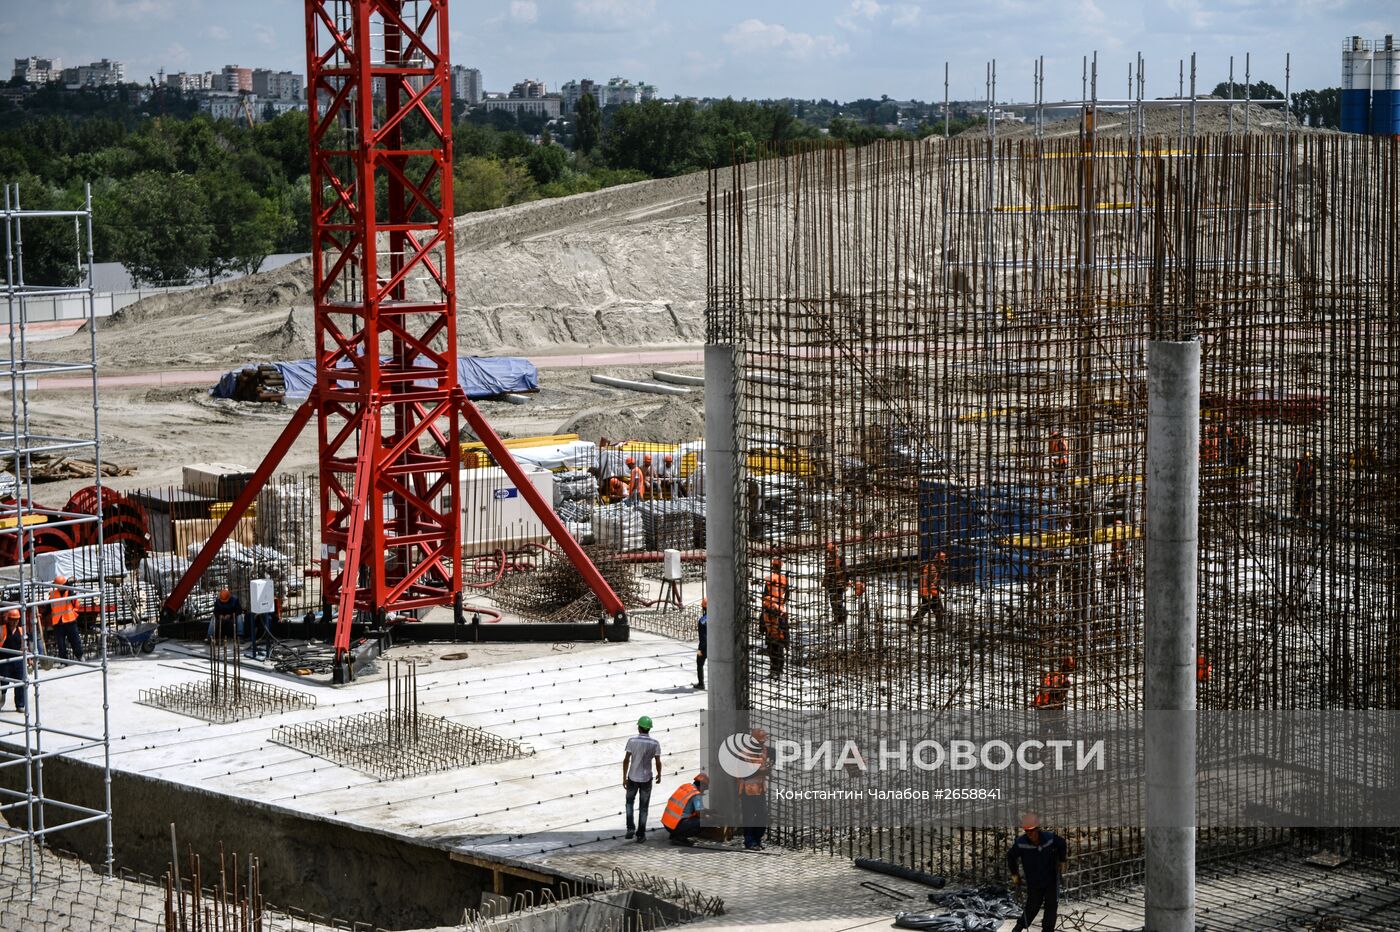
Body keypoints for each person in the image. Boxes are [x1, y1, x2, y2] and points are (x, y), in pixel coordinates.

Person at [1006, 812, 1068, 932]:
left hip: (1050, 878)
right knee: (1033, 906)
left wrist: (1062, 860)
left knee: (1051, 906)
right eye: (1027, 831)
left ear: (1037, 828)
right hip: (1034, 881)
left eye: (1032, 831)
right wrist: (1015, 875)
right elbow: (1010, 857)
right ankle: (1019, 927)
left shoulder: (1049, 838)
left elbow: (1061, 843)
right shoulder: (1021, 843)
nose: (1030, 834)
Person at [622, 715, 662, 843]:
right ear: (649, 729)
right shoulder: (655, 743)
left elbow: (626, 759)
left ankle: (630, 828)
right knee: (644, 808)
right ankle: (641, 835)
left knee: (629, 802)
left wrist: (624, 777)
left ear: (639, 727)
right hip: (646, 778)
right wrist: (659, 774)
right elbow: (657, 761)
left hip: (632, 777)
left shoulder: (632, 741)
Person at [737, 728, 772, 850]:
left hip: (760, 788)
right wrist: (763, 771)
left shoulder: (764, 750)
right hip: (748, 789)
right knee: (749, 817)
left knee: (762, 815)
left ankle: (757, 840)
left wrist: (769, 767)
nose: (763, 743)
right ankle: (749, 842)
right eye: (761, 741)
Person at [660, 772, 711, 846]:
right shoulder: (696, 794)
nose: (704, 791)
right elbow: (699, 812)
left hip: (667, 824)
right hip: (676, 825)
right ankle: (680, 837)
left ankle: (674, 834)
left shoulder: (685, 787)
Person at [761, 558, 788, 679]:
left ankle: (777, 671)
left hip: (774, 632)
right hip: (777, 607)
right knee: (775, 652)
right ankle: (776, 671)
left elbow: (765, 594)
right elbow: (787, 593)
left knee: (775, 652)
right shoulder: (783, 579)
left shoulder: (769, 580)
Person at [45, 576, 82, 662]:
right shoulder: (53, 594)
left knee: (75, 640)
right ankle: (64, 661)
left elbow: (76, 605)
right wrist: (42, 614)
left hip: (70, 620)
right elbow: (48, 608)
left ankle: (79, 656)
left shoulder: (70, 592)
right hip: (58, 622)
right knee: (61, 643)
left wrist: (74, 613)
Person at [911, 551, 948, 629]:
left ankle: (913, 623)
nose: (944, 565)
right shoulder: (932, 569)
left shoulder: (934, 568)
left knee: (924, 610)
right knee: (939, 611)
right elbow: (928, 583)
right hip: (929, 594)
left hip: (930, 593)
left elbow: (932, 582)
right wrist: (939, 589)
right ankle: (939, 627)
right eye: (943, 562)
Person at [0, 608, 25, 712]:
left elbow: (24, 646)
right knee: (3, 684)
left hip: (18, 660)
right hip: (5, 661)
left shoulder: (20, 630)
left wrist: (28, 659)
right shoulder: (2, 629)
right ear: (8, 619)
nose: (15, 622)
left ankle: (20, 705)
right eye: (13, 619)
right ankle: (1, 701)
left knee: (20, 683)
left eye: (17, 619)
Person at [822, 542, 849, 630]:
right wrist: (825, 581)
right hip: (831, 583)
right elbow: (827, 572)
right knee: (832, 602)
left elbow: (846, 572)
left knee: (838, 601)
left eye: (831, 552)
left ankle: (842, 617)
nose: (830, 554)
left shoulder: (841, 559)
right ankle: (837, 619)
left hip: (839, 583)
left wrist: (845, 582)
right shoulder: (828, 560)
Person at [1292, 451, 1317, 519]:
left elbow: (1313, 475)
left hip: (1308, 485)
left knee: (1307, 500)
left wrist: (1309, 481)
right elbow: (1294, 474)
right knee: (1298, 498)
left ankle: (1306, 514)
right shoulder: (1298, 464)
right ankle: (1297, 513)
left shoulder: (1311, 465)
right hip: (1300, 483)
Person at [695, 597, 707, 690]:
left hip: (702, 647)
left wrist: (701, 649)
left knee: (699, 663)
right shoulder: (717, 617)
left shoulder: (702, 620)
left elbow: (702, 637)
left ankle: (701, 683)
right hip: (714, 645)